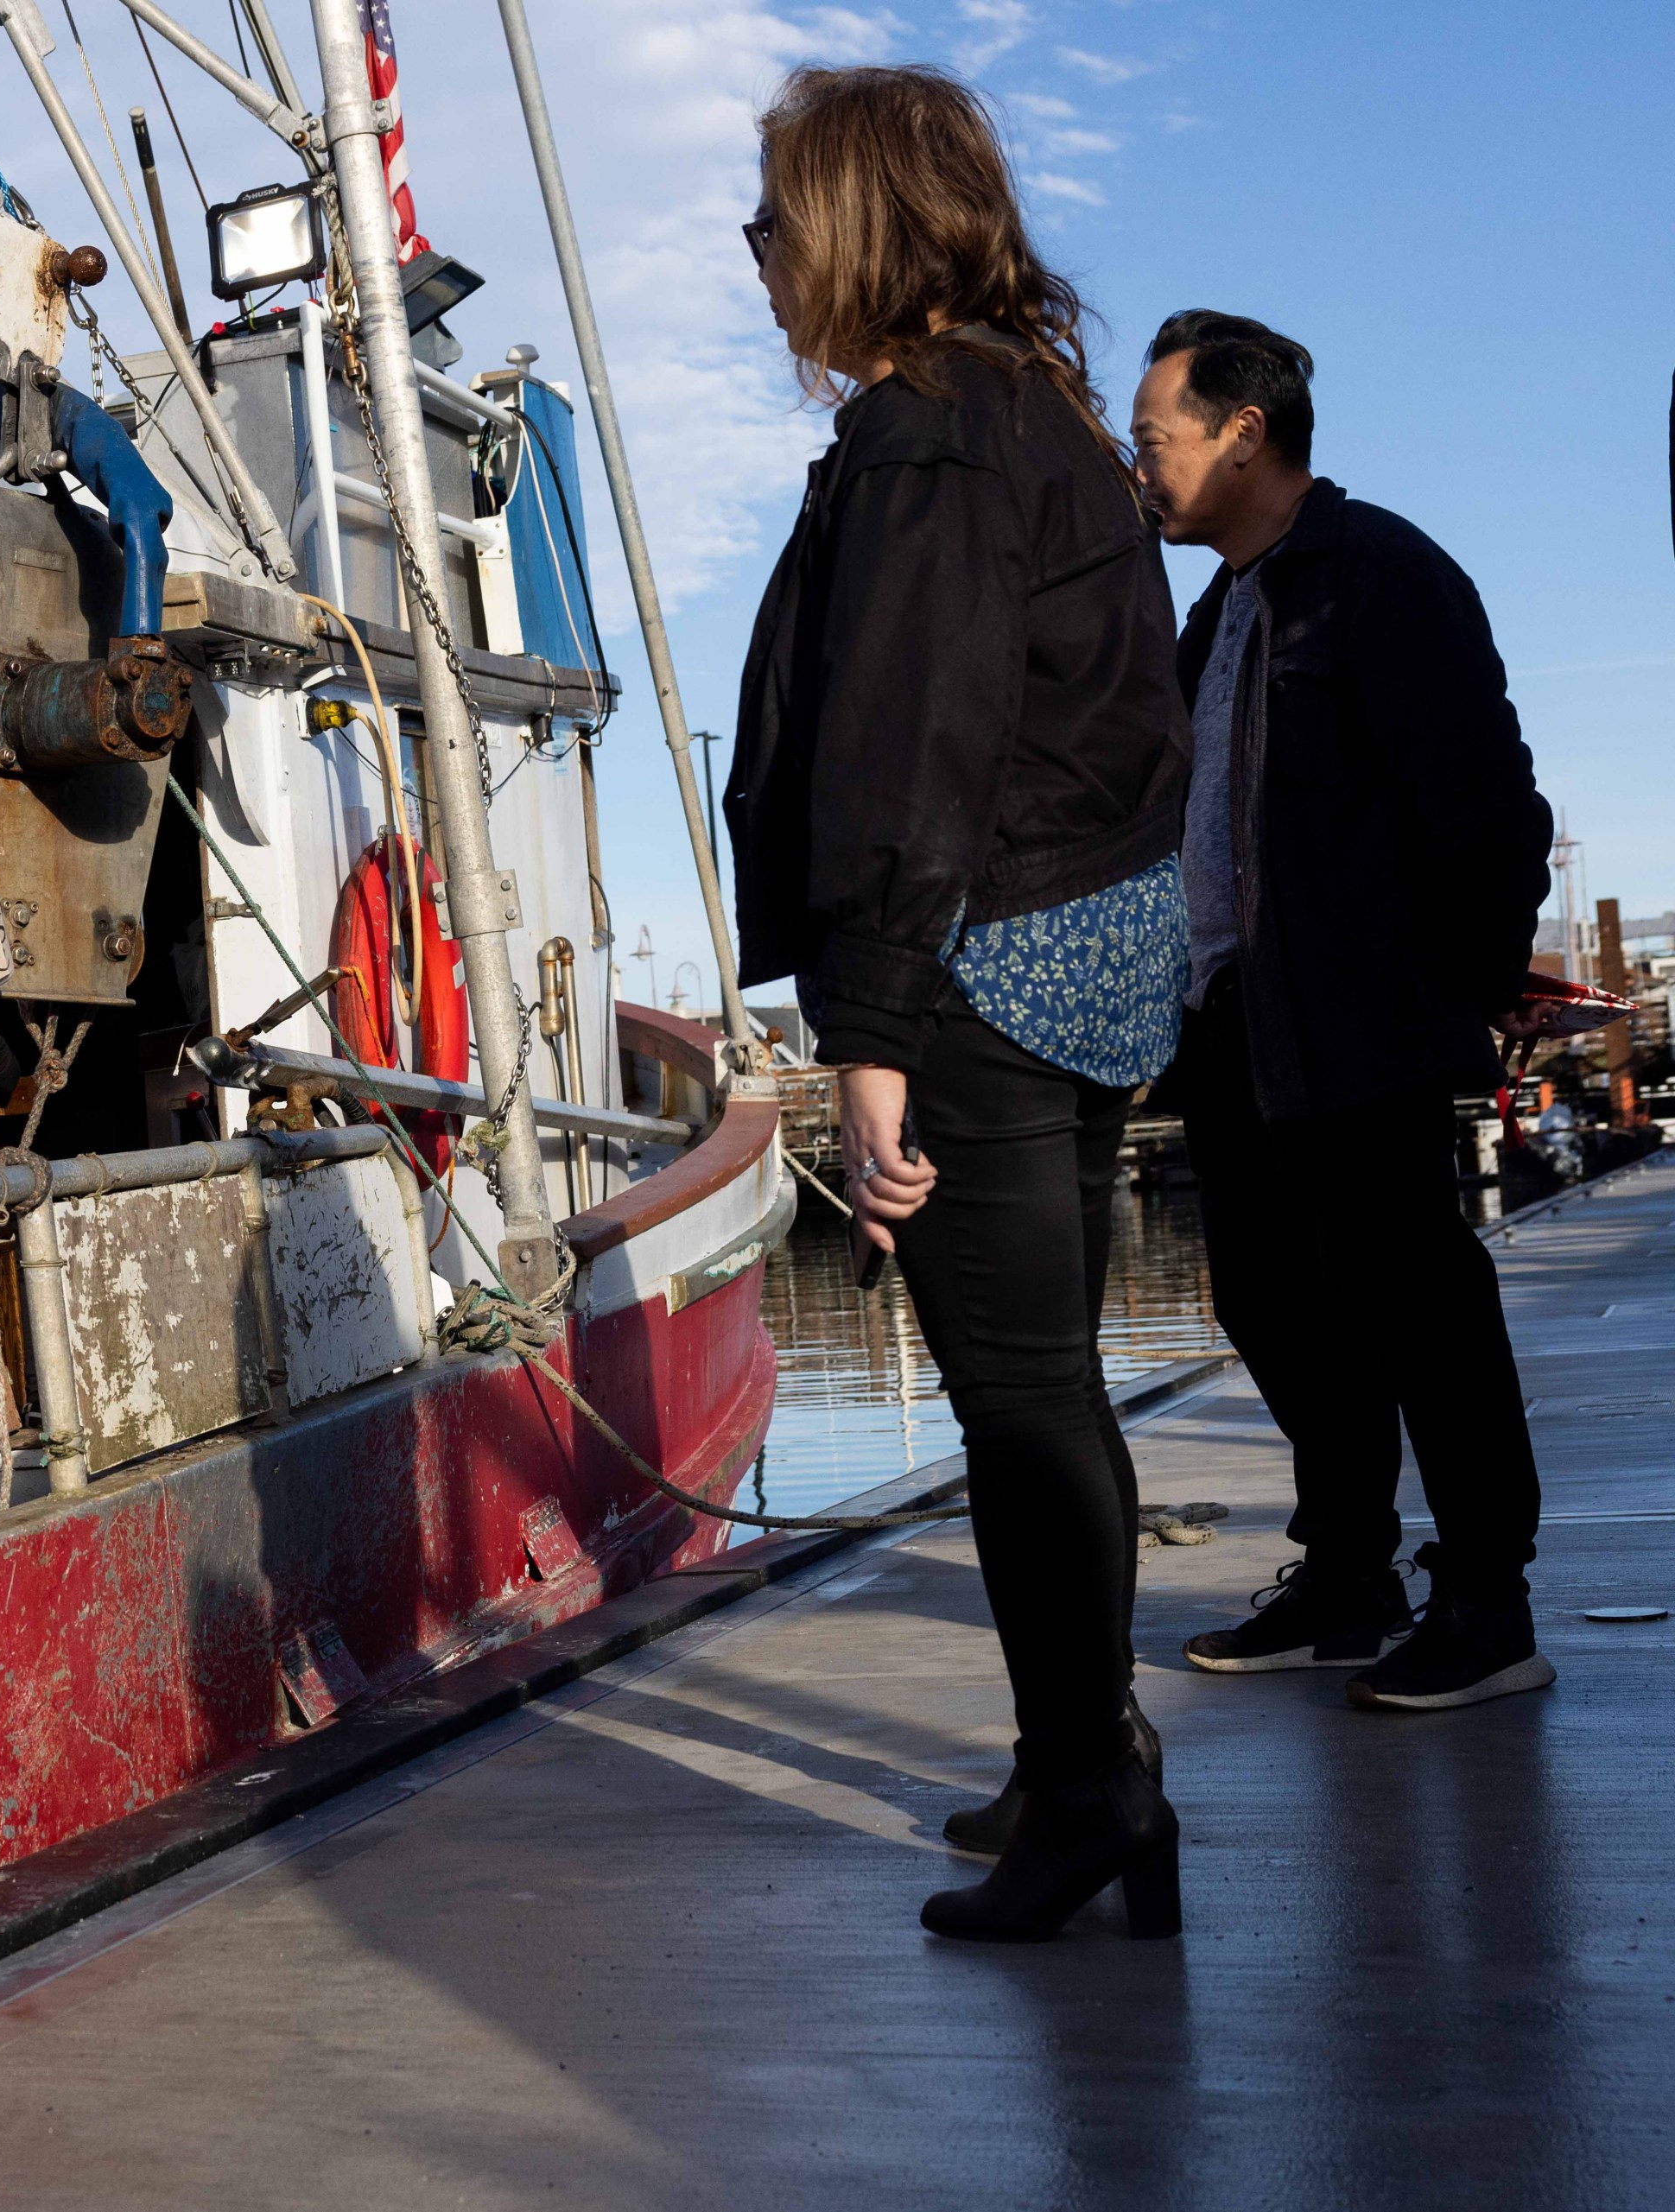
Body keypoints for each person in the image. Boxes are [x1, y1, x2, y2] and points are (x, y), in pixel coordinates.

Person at [722, 64, 1192, 1942]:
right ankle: (1087, 1756)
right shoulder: (1038, 414)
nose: (758, 262)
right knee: (1049, 1389)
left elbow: (910, 747)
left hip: (981, 974)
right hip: (1074, 962)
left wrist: (876, 1037)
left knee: (1016, 1400)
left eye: (774, 223)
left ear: (853, 221)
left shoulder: (930, 433)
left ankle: (1094, 1792)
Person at [1131, 310, 1558, 1709]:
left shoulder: (1380, 579)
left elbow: (1489, 804)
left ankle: (1489, 1607)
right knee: (1268, 1295)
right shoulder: (1222, 612)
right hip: (1237, 1016)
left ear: (1242, 434)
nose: (1145, 469)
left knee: (1420, 1300)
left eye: (1156, 441)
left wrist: (1465, 989)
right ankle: (1349, 1572)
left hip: (1360, 1014)